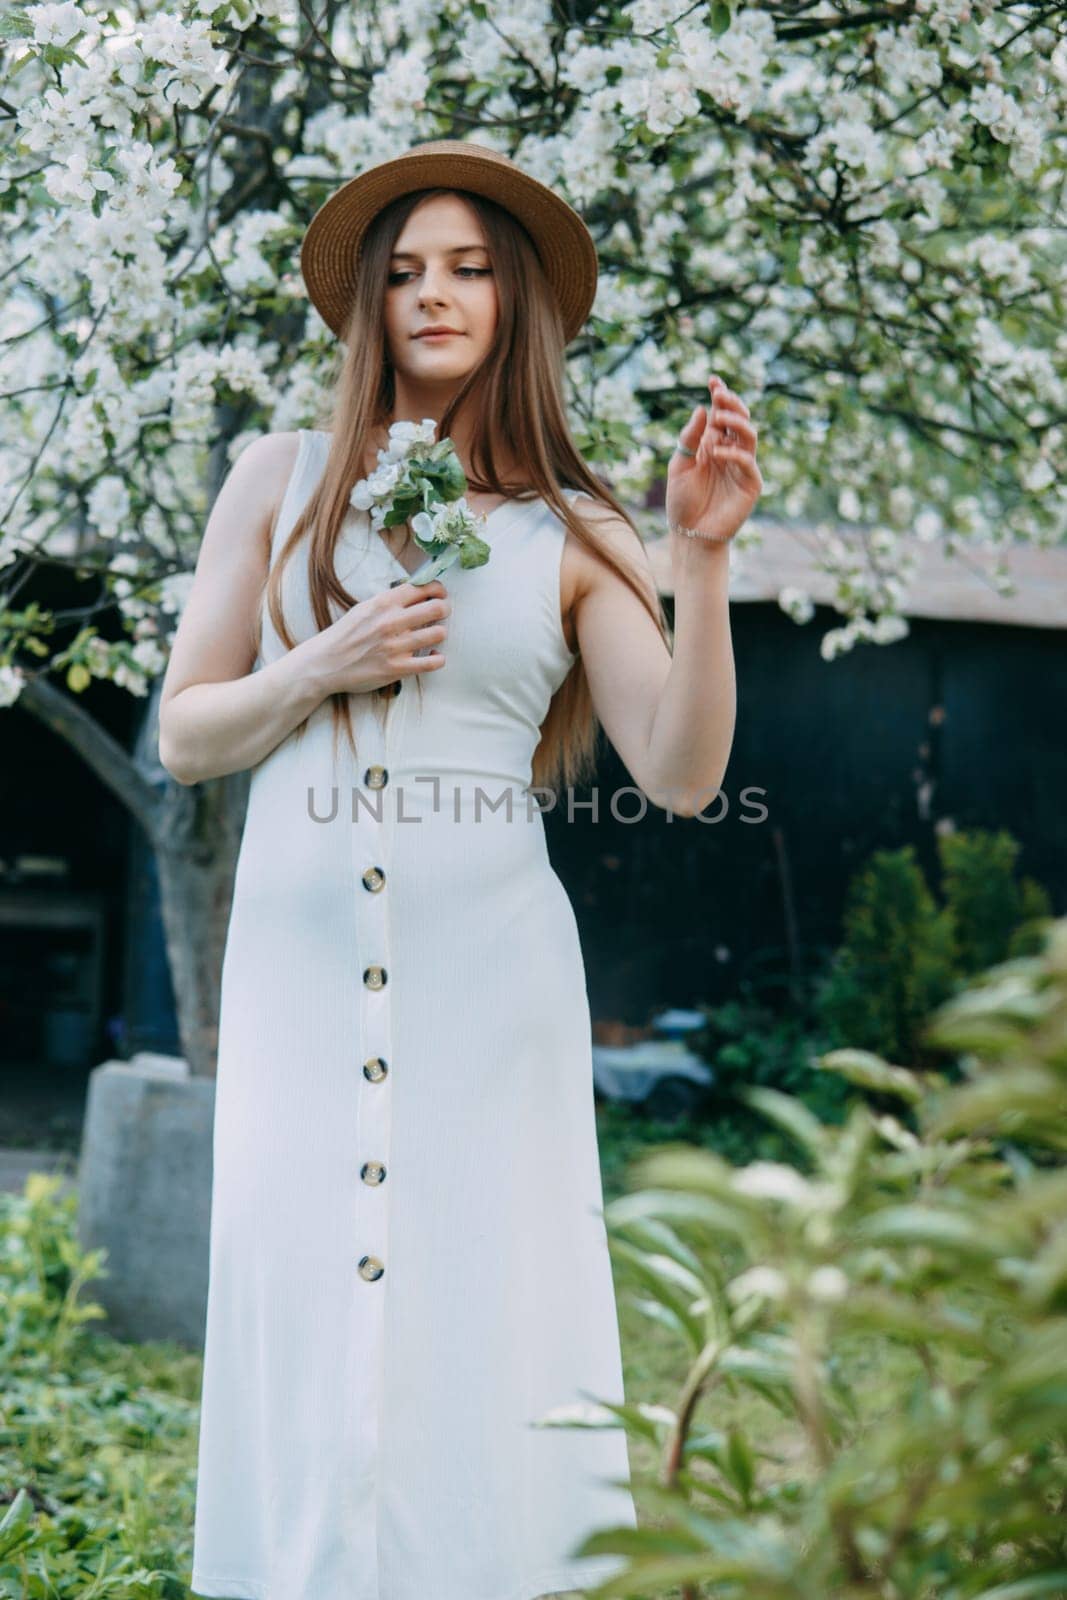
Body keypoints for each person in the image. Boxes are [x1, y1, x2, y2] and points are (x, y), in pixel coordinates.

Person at [158, 138, 761, 1600]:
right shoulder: (277, 479)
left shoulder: (575, 524)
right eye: (407, 270)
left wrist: (697, 566)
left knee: (488, 1300)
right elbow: (187, 732)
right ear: (369, 304)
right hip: (299, 986)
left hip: (490, 992)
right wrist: (323, 663)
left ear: (517, 304)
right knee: (303, 1301)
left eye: (470, 268)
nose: (434, 294)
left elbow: (679, 776)